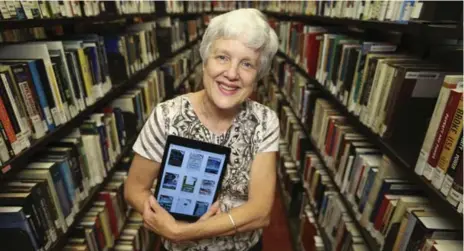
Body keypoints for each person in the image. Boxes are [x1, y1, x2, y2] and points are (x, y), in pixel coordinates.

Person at [124, 8, 280, 251]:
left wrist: (184, 231)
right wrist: (161, 219)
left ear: (258, 75)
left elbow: (260, 213)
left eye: (247, 64)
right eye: (222, 57)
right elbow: (134, 189)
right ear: (205, 60)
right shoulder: (167, 115)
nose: (231, 74)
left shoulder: (265, 121)